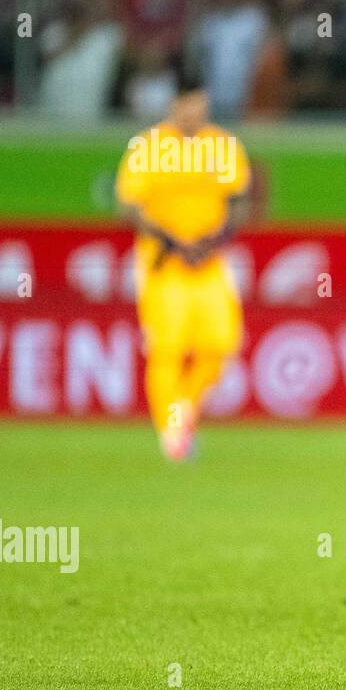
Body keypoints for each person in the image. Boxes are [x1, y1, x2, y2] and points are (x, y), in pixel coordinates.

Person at [115, 68, 252, 460]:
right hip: (163, 263)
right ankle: (172, 431)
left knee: (221, 344)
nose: (197, 113)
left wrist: (212, 241)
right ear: (175, 104)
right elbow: (130, 205)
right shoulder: (149, 147)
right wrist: (174, 242)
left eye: (203, 106)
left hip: (207, 261)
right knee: (168, 348)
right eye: (191, 105)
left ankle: (184, 410)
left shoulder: (222, 145)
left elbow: (239, 199)